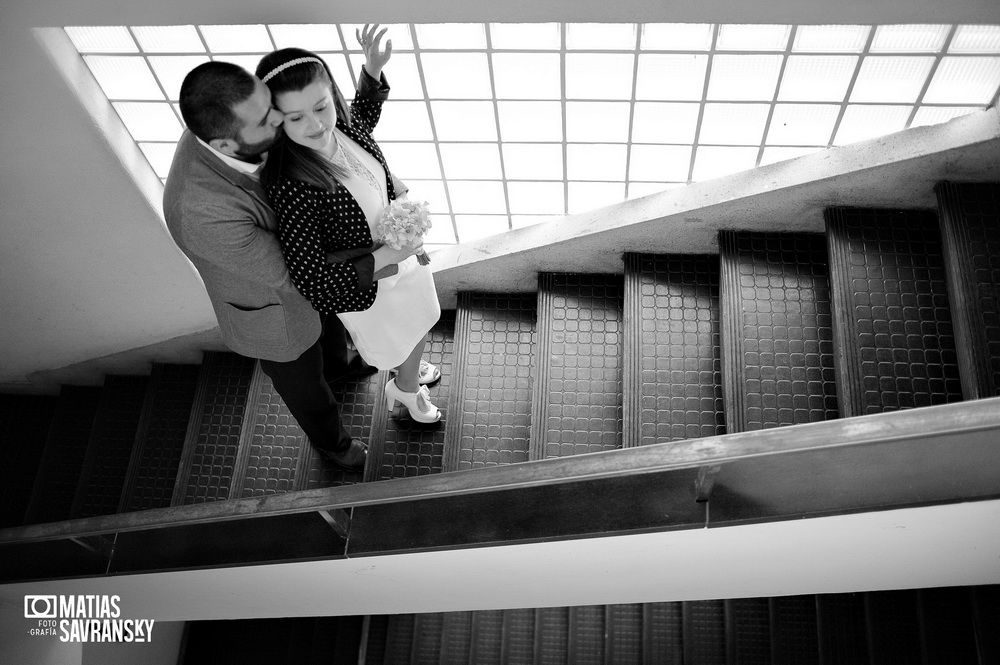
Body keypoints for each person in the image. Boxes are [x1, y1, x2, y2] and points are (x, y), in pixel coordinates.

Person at [162, 59, 369, 471]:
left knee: (330, 337)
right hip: (274, 315)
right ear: (224, 146)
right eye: (267, 116)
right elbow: (296, 275)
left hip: (312, 283)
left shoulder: (243, 125)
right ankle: (333, 444)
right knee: (308, 392)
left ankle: (342, 368)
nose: (279, 116)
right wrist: (382, 254)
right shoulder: (201, 212)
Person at [256, 25, 443, 424]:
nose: (316, 125)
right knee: (399, 332)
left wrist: (372, 72)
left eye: (321, 106)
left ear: (332, 97)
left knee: (421, 316)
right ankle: (406, 388)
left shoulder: (341, 123)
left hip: (403, 254)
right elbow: (313, 281)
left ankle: (407, 371)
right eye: (296, 116)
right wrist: (388, 256)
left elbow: (363, 118)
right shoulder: (289, 183)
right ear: (275, 120)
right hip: (370, 283)